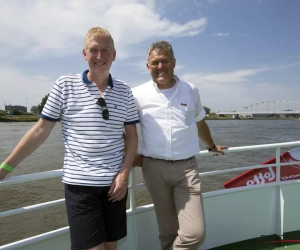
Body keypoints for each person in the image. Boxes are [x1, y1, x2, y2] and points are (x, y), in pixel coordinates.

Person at [0, 27, 139, 250]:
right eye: (94, 50)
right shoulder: (65, 85)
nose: (100, 56)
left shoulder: (124, 91)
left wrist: (123, 175)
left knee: (110, 247)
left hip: (115, 186)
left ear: (114, 55)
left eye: (105, 50)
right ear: (84, 54)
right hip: (80, 187)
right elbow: (40, 131)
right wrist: (5, 167)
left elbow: (132, 137)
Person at [132, 40, 227, 250]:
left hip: (186, 169)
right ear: (148, 66)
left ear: (174, 62)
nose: (160, 67)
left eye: (164, 61)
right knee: (167, 232)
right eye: (154, 63)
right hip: (153, 168)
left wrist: (211, 146)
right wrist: (130, 154)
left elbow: (199, 121)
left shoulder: (190, 90)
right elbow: (124, 128)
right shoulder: (137, 94)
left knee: (195, 233)